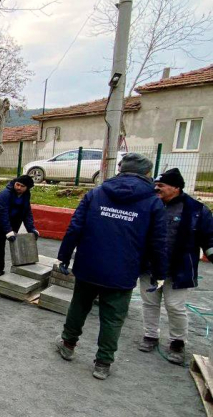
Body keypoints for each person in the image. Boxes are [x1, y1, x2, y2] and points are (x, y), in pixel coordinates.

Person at [55, 152, 168, 380]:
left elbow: (75, 227)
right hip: (123, 271)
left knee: (79, 306)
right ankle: (103, 363)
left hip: (89, 265)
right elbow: (158, 242)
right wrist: (159, 272)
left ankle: (68, 345)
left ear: (121, 169)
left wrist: (64, 256)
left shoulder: (96, 193)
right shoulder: (153, 202)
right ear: (147, 173)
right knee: (113, 318)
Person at [138, 168, 213, 365]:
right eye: (155, 184)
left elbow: (209, 236)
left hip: (178, 270)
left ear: (176, 187)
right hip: (150, 267)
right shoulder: (150, 205)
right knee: (149, 303)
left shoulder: (196, 210)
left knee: (175, 307)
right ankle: (150, 336)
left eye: (161, 185)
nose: (156, 188)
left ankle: (177, 343)